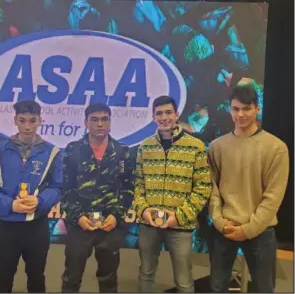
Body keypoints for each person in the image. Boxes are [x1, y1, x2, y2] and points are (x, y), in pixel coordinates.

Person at [208, 85, 289, 293]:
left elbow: (273, 197)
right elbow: (212, 190)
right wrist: (218, 221)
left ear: (257, 109)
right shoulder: (217, 146)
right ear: (229, 109)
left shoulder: (276, 148)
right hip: (224, 229)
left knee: (264, 288)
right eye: (235, 109)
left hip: (260, 233)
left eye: (246, 108)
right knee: (217, 287)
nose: (240, 114)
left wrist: (248, 230)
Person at [134, 96, 212, 293]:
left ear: (177, 115)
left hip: (180, 225)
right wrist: (143, 210)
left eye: (168, 112)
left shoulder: (195, 146)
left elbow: (203, 187)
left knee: (184, 281)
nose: (164, 117)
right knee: (145, 274)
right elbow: (138, 184)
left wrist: (179, 216)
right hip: (149, 225)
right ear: (153, 117)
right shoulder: (145, 146)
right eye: (159, 113)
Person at [0, 99, 63, 293]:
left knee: (36, 276)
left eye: (32, 120)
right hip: (6, 225)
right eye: (22, 120)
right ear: (15, 121)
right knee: (3, 276)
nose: (27, 126)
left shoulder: (52, 152)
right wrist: (11, 205)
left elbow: (58, 187)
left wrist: (40, 201)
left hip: (36, 226)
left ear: (40, 121)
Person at [61, 103, 135, 293]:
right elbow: (65, 188)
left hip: (110, 226)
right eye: (94, 119)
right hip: (80, 225)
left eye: (104, 119)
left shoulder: (123, 152)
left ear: (110, 123)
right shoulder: (73, 150)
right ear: (86, 122)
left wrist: (116, 216)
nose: (100, 124)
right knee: (71, 278)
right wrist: (78, 217)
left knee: (108, 280)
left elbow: (128, 189)